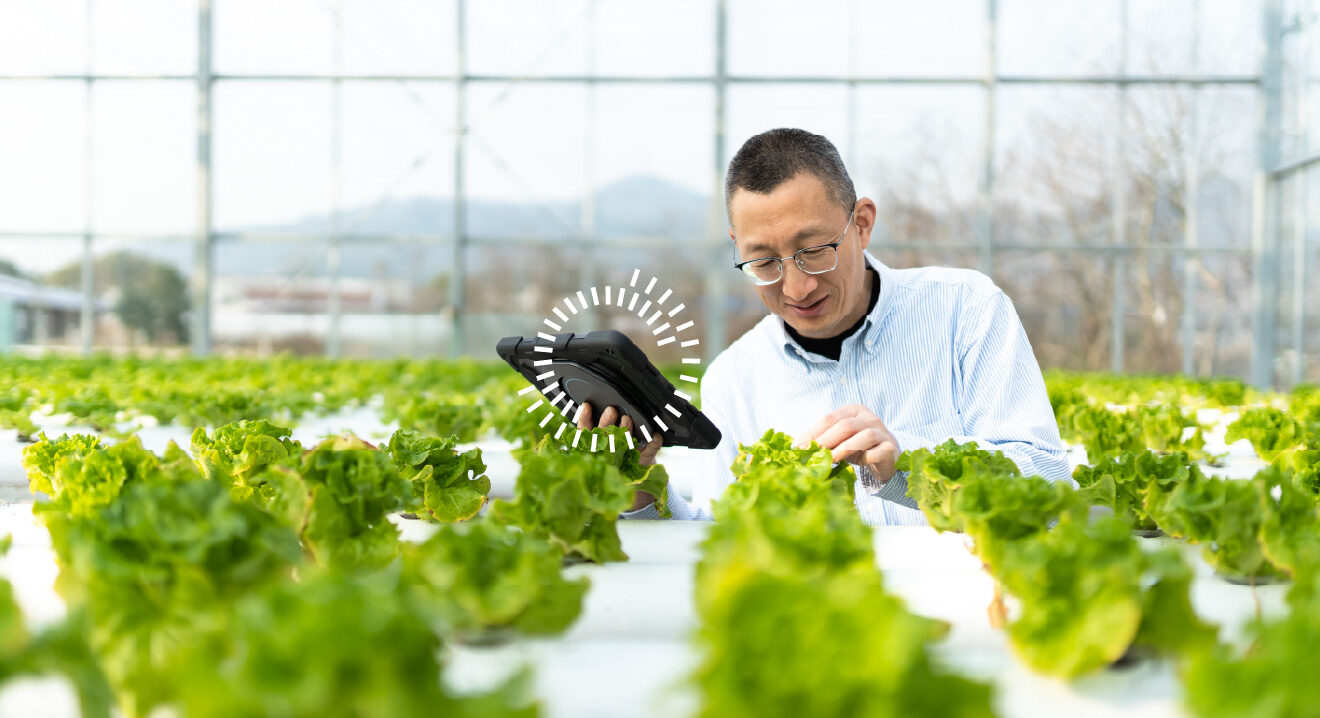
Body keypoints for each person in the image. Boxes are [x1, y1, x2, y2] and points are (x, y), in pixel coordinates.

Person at [576, 127, 1069, 525]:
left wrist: (908, 470)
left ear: (862, 223)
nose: (795, 288)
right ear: (736, 246)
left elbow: (1048, 478)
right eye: (763, 261)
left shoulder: (966, 310)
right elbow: (716, 530)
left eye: (812, 252)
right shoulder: (733, 376)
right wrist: (639, 491)